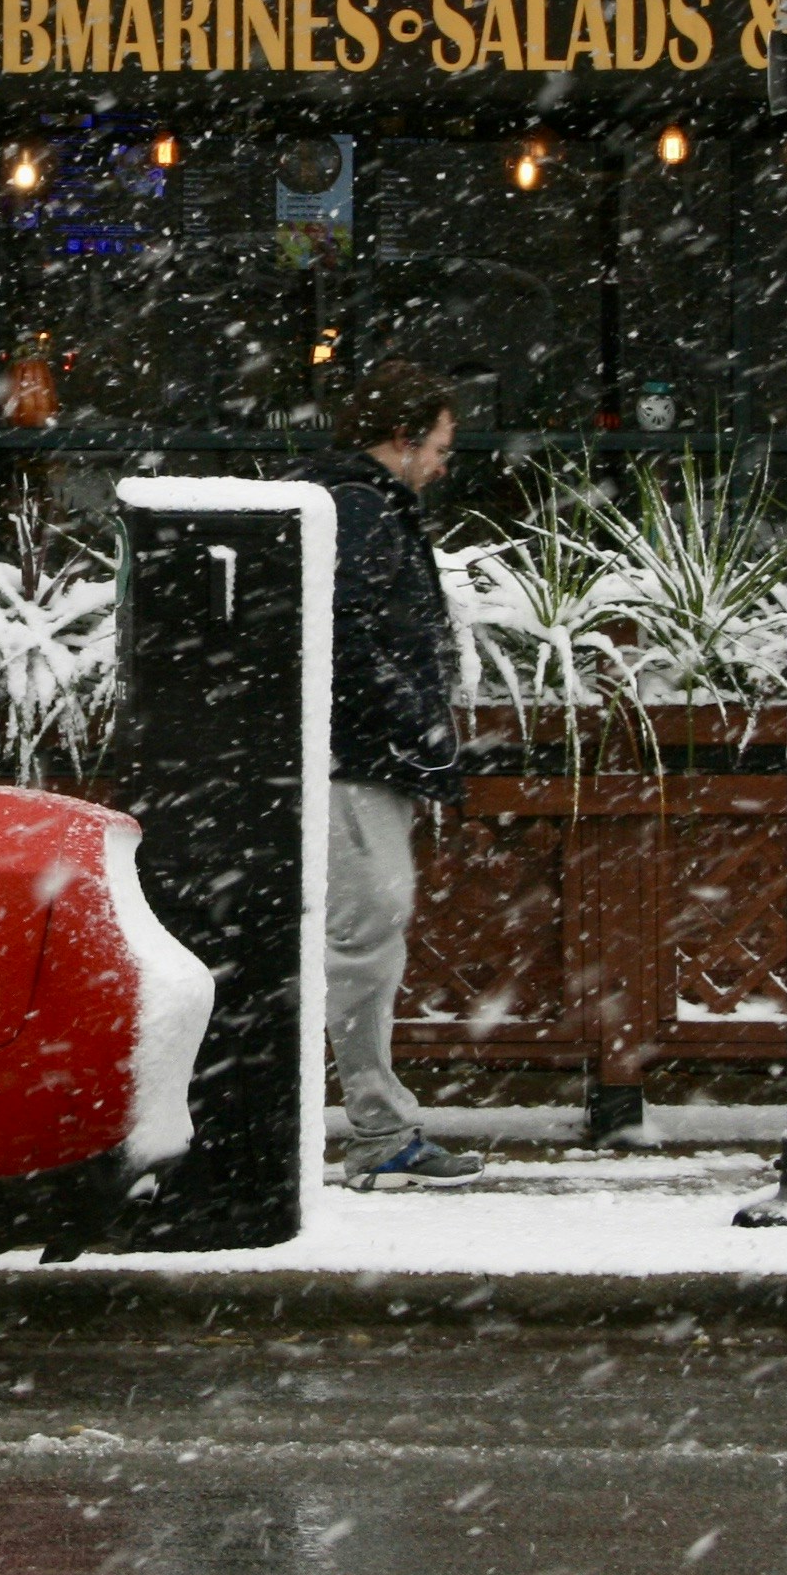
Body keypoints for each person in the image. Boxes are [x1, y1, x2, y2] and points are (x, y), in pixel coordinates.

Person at [316, 360, 485, 1187]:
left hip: (354, 754)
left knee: (355, 937)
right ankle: (377, 1130)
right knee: (365, 936)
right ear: (404, 437)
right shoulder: (364, 511)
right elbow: (356, 642)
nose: (446, 463)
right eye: (442, 444)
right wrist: (415, 731)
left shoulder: (358, 506)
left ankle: (368, 1124)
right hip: (357, 761)